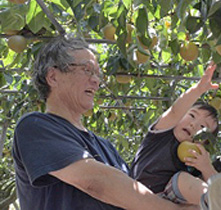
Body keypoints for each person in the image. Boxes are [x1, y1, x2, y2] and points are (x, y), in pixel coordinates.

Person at [12, 37, 198, 210]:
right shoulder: (35, 127)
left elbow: (132, 195)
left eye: (97, 74)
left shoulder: (106, 147)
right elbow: (97, 182)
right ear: (53, 77)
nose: (96, 81)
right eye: (87, 70)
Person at [130, 62, 221, 209]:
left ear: (204, 142)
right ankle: (210, 198)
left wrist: (206, 167)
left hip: (168, 203)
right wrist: (198, 89)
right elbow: (174, 112)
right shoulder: (161, 134)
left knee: (195, 195)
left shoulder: (194, 158)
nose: (194, 124)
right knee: (181, 179)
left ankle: (212, 200)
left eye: (203, 127)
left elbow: (207, 182)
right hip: (138, 195)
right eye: (192, 115)